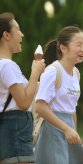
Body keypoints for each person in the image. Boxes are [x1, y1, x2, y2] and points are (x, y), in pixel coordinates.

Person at [34, 26, 83, 164]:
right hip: (53, 129)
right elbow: (40, 107)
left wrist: (72, 129)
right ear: (63, 48)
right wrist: (66, 129)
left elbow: (71, 108)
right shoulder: (53, 71)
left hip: (69, 129)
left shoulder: (76, 73)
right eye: (78, 45)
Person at [0, 12, 45, 163]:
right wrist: (35, 73)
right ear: (6, 35)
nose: (22, 35)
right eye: (18, 30)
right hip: (15, 127)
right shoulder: (7, 65)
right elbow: (24, 102)